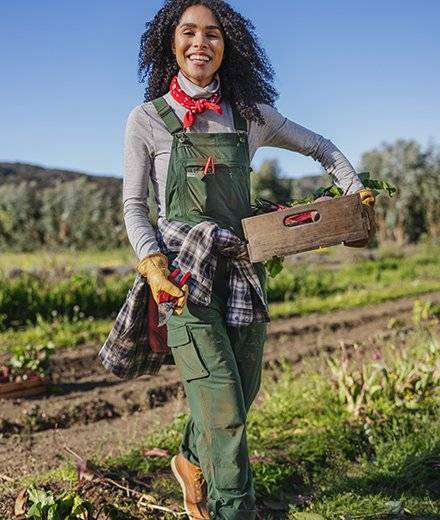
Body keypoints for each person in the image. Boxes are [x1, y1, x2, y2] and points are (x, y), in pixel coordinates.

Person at [122, 1, 374, 518]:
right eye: (188, 32)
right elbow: (134, 205)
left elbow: (321, 147)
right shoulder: (146, 119)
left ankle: (192, 460)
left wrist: (355, 196)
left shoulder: (251, 115)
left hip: (243, 271)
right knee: (224, 408)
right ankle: (233, 508)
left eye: (212, 34)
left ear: (226, 45)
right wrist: (151, 264)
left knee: (242, 388)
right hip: (183, 276)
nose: (200, 43)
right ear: (170, 44)